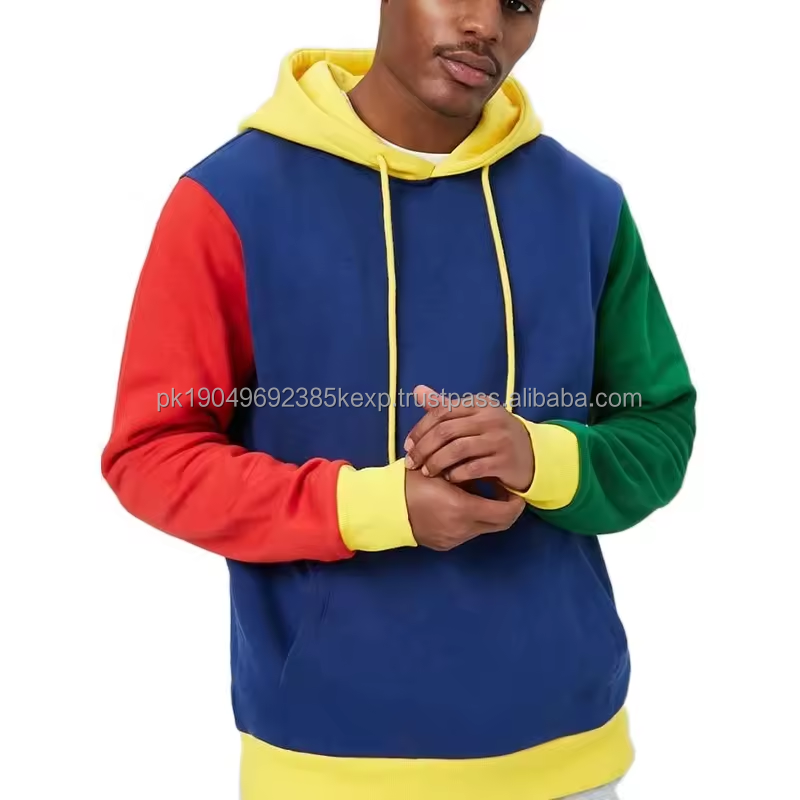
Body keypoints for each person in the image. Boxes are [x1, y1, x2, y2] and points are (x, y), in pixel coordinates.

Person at [101, 1, 696, 797]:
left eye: (520, 4)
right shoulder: (229, 199)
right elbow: (152, 455)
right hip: (326, 761)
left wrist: (542, 457)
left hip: (567, 753)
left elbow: (659, 427)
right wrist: (372, 508)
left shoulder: (588, 206)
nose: (487, 25)